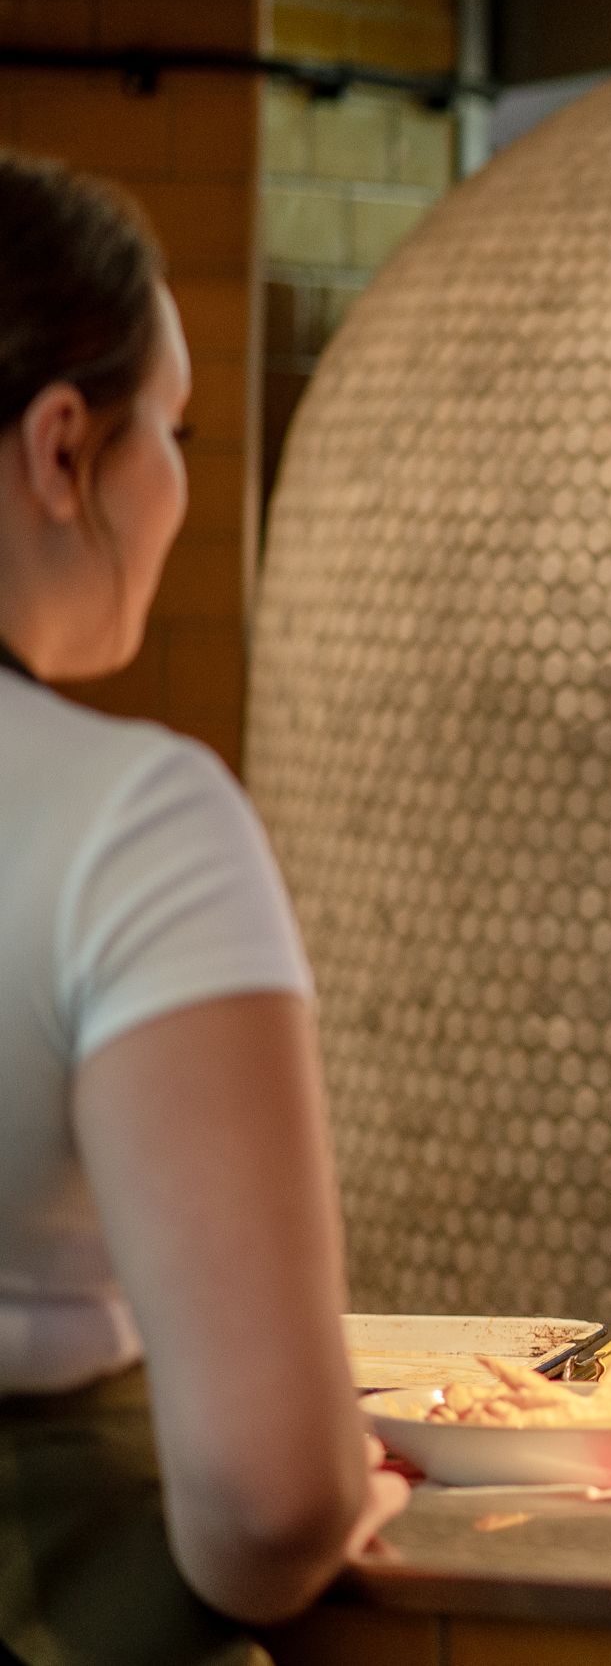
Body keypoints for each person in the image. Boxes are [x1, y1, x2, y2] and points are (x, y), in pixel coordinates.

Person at [0, 154, 405, 1658]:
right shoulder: (132, 823)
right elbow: (267, 1504)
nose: (175, 482)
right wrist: (327, 1488)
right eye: (168, 430)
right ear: (60, 449)